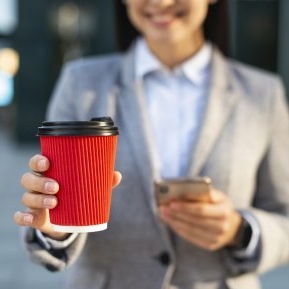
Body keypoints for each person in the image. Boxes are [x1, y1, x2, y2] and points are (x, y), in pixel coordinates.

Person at [14, 0, 289, 288]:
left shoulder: (262, 94)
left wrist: (240, 230)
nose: (160, 2)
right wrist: (55, 227)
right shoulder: (81, 83)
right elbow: (55, 205)